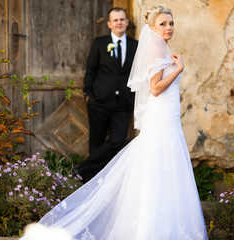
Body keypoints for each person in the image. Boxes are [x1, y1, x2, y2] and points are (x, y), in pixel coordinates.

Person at [21, 5, 208, 240]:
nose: (169, 27)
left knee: (164, 161)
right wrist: (178, 69)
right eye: (163, 24)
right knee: (153, 157)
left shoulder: (159, 46)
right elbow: (155, 88)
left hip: (164, 114)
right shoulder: (154, 49)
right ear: (152, 27)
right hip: (155, 113)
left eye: (171, 23)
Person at [76, 7, 138, 183]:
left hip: (124, 103)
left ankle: (82, 170)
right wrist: (88, 93)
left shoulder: (135, 45)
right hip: (99, 101)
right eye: (115, 20)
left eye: (122, 19)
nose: (119, 22)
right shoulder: (100, 43)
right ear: (110, 24)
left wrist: (134, 97)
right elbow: (91, 69)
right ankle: (92, 181)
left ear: (126, 22)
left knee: (118, 140)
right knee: (96, 141)